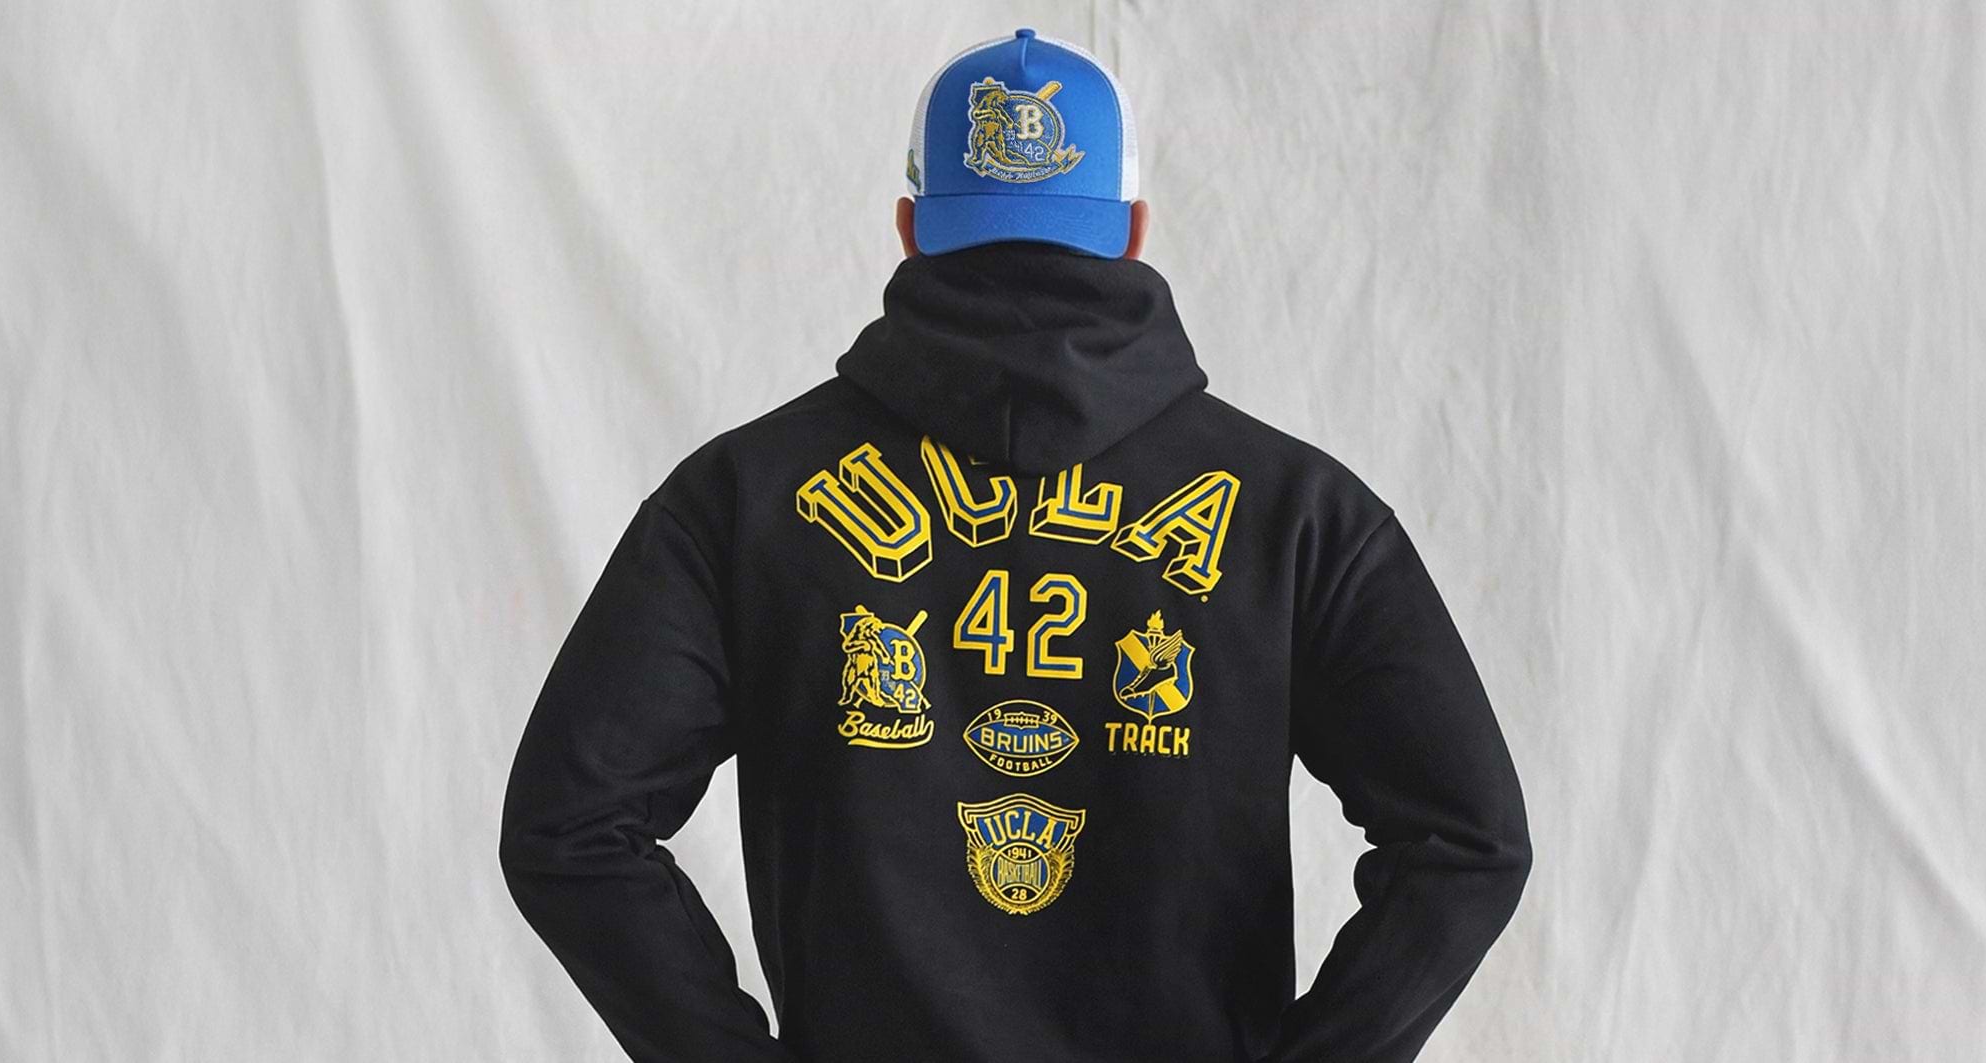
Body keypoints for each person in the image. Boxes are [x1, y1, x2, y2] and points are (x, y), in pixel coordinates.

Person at [499, 28, 1531, 1063]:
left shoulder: (741, 499)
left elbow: (568, 825)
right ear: (1133, 229)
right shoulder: (1298, 513)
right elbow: (1468, 840)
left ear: (911, 226)